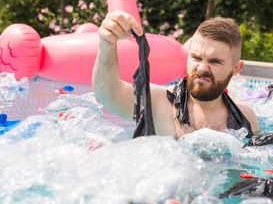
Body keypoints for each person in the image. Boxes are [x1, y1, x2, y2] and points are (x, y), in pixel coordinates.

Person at [92, 10, 260, 138]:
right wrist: (107, 44)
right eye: (196, 57)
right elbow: (107, 95)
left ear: (236, 68)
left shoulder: (244, 117)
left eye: (215, 62)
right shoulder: (159, 102)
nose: (202, 68)